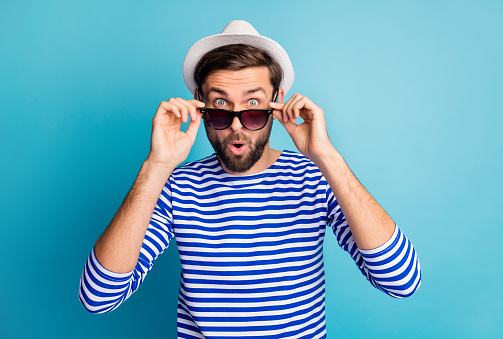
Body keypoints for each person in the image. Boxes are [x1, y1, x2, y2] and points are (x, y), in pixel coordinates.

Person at [79, 20, 421, 338]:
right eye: (220, 107)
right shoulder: (175, 186)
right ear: (199, 105)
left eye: (254, 105)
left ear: (278, 103)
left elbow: (402, 281)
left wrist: (327, 157)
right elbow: (98, 297)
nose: (238, 125)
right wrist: (156, 166)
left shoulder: (317, 178)